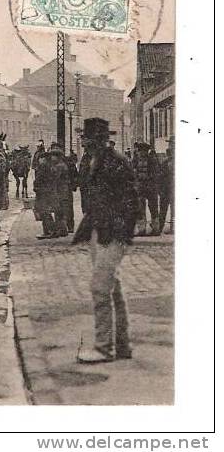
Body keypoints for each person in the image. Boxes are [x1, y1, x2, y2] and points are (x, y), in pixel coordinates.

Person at [73, 118, 138, 364]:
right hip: (99, 230)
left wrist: (122, 233)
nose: (83, 143)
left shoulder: (116, 162)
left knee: (100, 287)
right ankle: (122, 344)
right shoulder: (92, 161)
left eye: (87, 139)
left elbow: (131, 201)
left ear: (98, 140)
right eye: (83, 139)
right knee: (113, 287)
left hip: (114, 232)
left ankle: (103, 347)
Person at [132, 141, 161, 236]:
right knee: (140, 209)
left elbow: (156, 174)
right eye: (139, 151)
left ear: (146, 151)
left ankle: (156, 229)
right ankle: (142, 229)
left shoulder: (152, 160)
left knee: (153, 208)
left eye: (142, 151)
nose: (140, 152)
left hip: (150, 187)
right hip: (140, 187)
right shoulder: (135, 160)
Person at [158, 137, 174, 234]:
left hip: (175, 190)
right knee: (163, 209)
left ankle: (173, 228)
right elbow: (160, 176)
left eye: (173, 144)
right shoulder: (165, 161)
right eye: (170, 144)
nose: (171, 146)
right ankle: (159, 227)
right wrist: (160, 189)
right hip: (165, 190)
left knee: (175, 209)